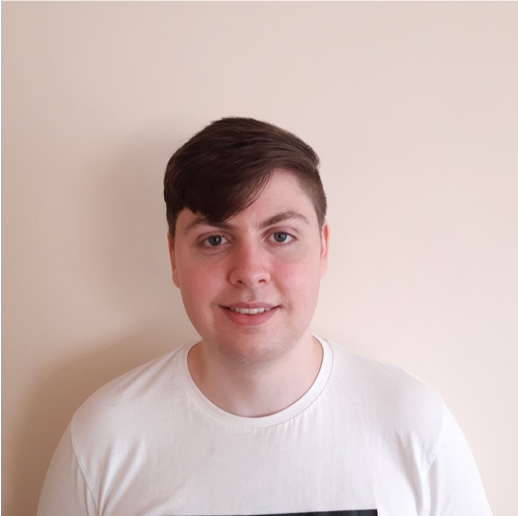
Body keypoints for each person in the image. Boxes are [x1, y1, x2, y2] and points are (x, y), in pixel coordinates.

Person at [38, 118, 493, 516]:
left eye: (280, 235)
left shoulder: (412, 422)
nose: (250, 271)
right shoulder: (105, 436)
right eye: (215, 240)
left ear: (323, 248)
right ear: (174, 258)